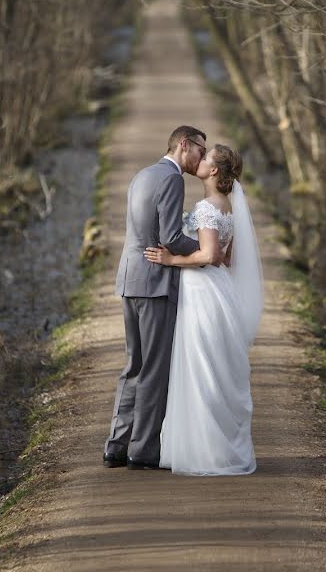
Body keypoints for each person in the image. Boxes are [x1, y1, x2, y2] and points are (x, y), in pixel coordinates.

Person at [104, 125, 222, 470]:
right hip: (155, 283)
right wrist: (204, 251)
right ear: (184, 144)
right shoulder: (171, 179)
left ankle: (116, 444)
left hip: (130, 279)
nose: (202, 156)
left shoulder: (143, 174)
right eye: (201, 149)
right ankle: (142, 451)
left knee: (133, 366)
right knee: (154, 370)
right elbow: (170, 237)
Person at [144, 144, 264, 475]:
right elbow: (228, 258)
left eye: (206, 156)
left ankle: (206, 451)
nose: (200, 159)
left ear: (213, 171)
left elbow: (210, 255)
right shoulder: (229, 206)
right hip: (220, 289)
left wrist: (172, 259)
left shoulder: (208, 206)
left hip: (204, 293)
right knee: (215, 369)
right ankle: (216, 447)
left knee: (203, 369)